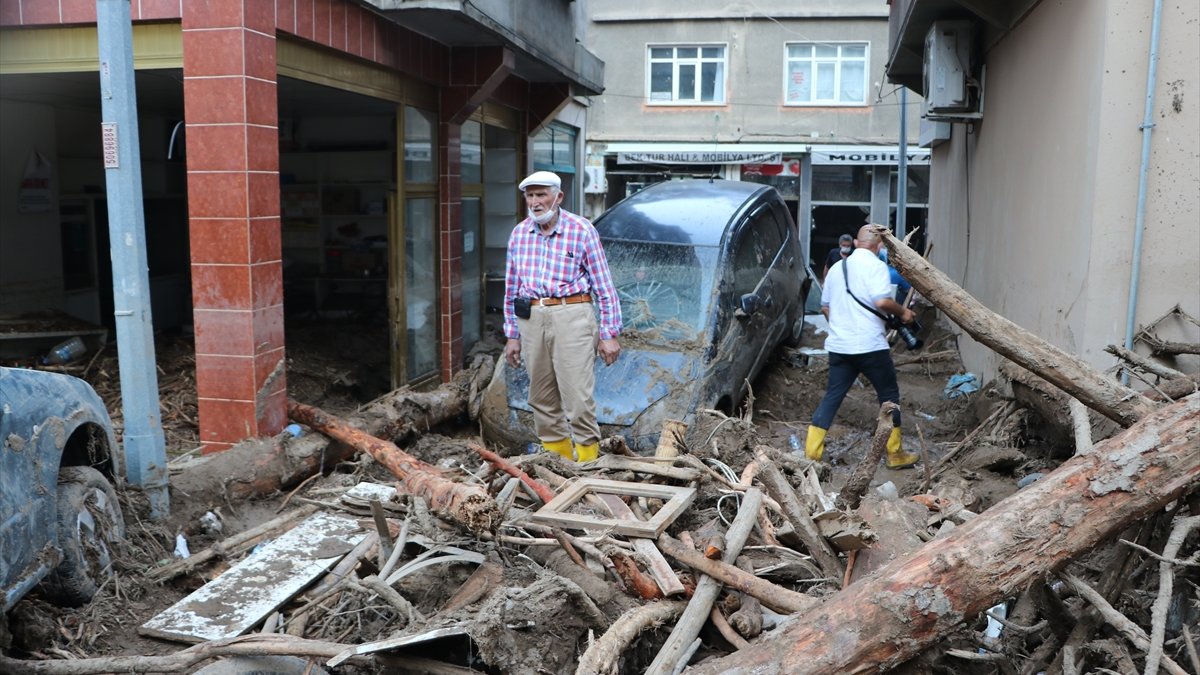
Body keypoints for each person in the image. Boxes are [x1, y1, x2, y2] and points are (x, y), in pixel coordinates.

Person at [503, 171, 622, 462]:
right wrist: (512, 335)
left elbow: (604, 285)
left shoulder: (581, 230)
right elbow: (511, 287)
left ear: (558, 197)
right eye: (530, 196)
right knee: (541, 397)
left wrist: (609, 333)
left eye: (541, 194)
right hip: (531, 316)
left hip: (572, 314)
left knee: (578, 399)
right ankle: (560, 463)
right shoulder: (520, 234)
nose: (535, 202)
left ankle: (588, 462)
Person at [805, 225, 920, 469]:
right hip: (870, 346)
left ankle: (811, 456)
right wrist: (904, 312)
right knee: (888, 397)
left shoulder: (836, 269)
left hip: (839, 346)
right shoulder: (876, 266)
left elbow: (825, 306)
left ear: (856, 243)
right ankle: (895, 454)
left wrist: (840, 326)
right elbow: (881, 301)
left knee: (832, 397)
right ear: (880, 247)